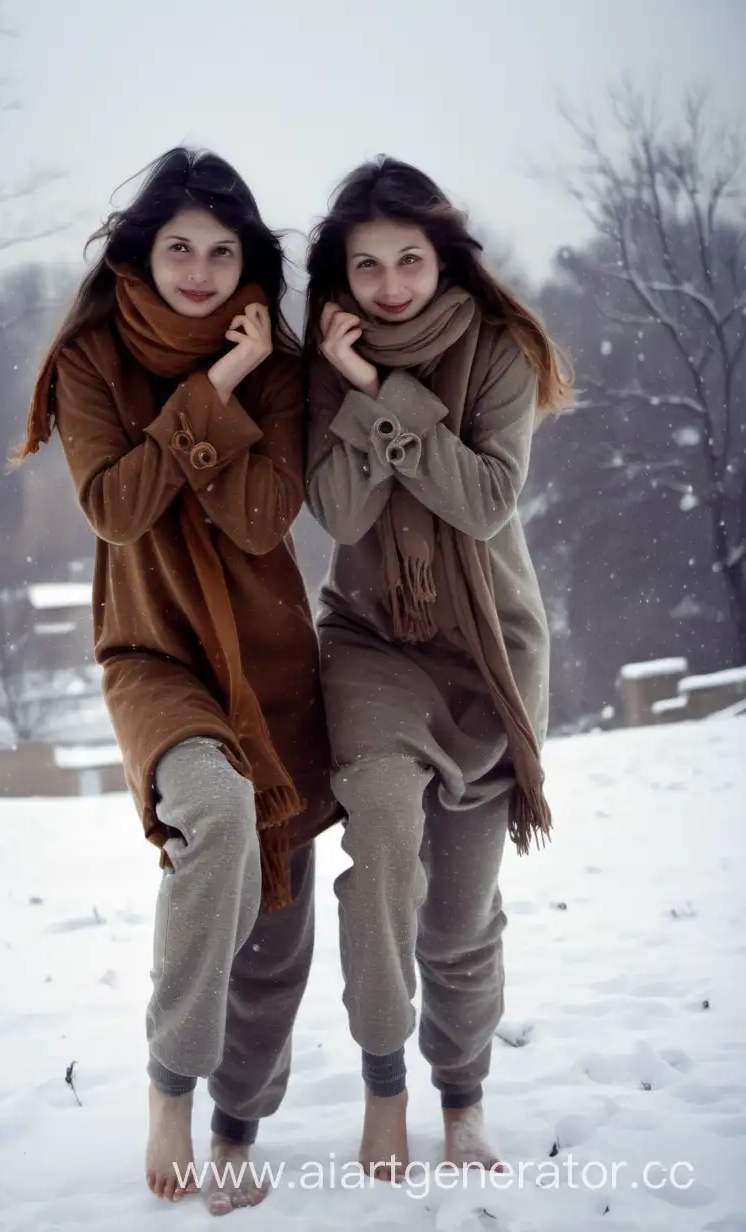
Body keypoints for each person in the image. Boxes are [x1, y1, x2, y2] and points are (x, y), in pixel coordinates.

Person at [14, 147, 338, 1214]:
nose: (199, 269)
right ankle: (171, 1082)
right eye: (178, 246)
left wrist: (242, 380)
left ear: (247, 259)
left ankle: (240, 1119)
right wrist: (216, 389)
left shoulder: (283, 364)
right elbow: (116, 505)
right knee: (214, 810)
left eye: (221, 249)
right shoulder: (93, 357)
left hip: (271, 661)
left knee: (278, 911)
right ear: (141, 253)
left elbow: (257, 519)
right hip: (153, 649)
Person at [303, 157, 572, 1179]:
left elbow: (482, 500)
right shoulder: (319, 358)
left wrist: (381, 391)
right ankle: (383, 1085)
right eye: (365, 264)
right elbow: (340, 513)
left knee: (458, 917)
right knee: (379, 850)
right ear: (343, 270)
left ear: (441, 254)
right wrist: (356, 386)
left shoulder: (496, 351)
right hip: (372, 642)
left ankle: (461, 1099)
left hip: (483, 648)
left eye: (407, 258)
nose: (387, 284)